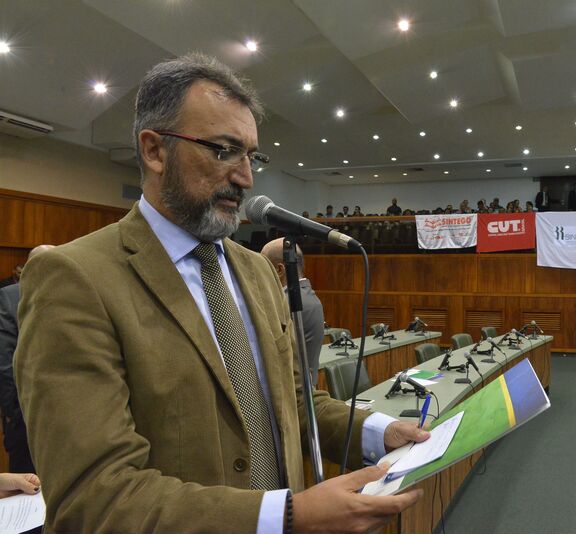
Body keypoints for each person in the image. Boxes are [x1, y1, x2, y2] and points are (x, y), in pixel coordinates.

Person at [15, 54, 427, 533]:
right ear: (155, 150)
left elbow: (294, 405)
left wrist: (380, 432)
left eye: (251, 155)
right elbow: (93, 496)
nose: (245, 177)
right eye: (223, 150)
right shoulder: (74, 277)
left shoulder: (257, 272)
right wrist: (286, 517)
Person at [0, 245, 54, 475]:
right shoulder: (10, 296)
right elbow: (5, 360)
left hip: (62, 418)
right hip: (26, 416)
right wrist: (14, 411)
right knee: (25, 483)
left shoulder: (73, 293)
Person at [261, 239, 324, 386]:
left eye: (262, 266)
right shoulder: (309, 296)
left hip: (290, 391)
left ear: (279, 270)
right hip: (304, 387)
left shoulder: (287, 302)